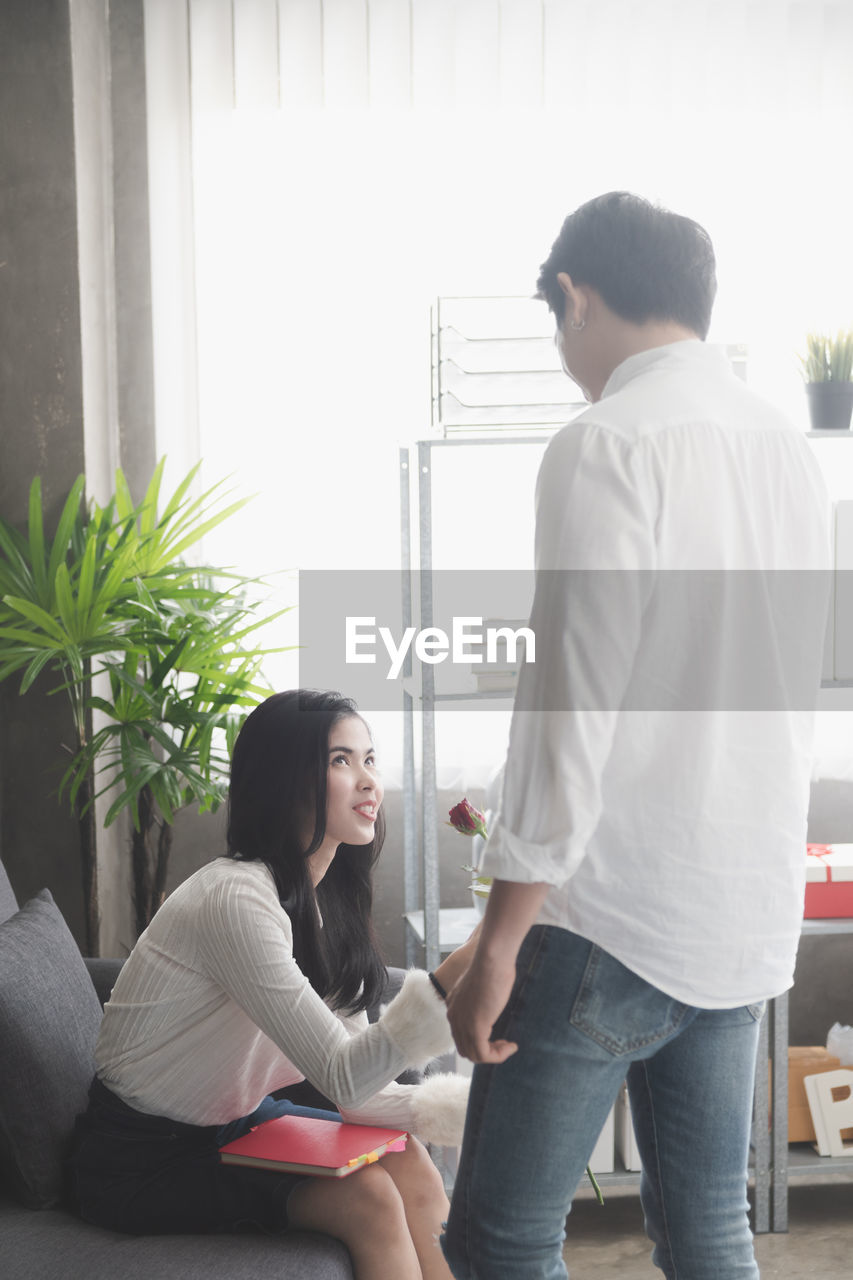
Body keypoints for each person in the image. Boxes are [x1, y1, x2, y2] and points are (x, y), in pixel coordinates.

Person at [441, 193, 832, 1280]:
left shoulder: (605, 440)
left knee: (501, 1236)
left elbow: (571, 708)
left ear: (574, 294)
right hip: (739, 914)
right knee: (707, 1224)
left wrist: (501, 938)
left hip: (603, 921)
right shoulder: (785, 451)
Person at [71, 688, 473, 1280]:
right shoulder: (236, 898)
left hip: (230, 1125)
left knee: (407, 1159)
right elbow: (342, 1073)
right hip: (137, 1158)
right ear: (287, 779)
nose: (368, 782)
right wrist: (464, 963)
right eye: (341, 761)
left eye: (369, 759)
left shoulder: (324, 904)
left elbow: (356, 1096)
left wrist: (483, 1110)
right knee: (370, 1198)